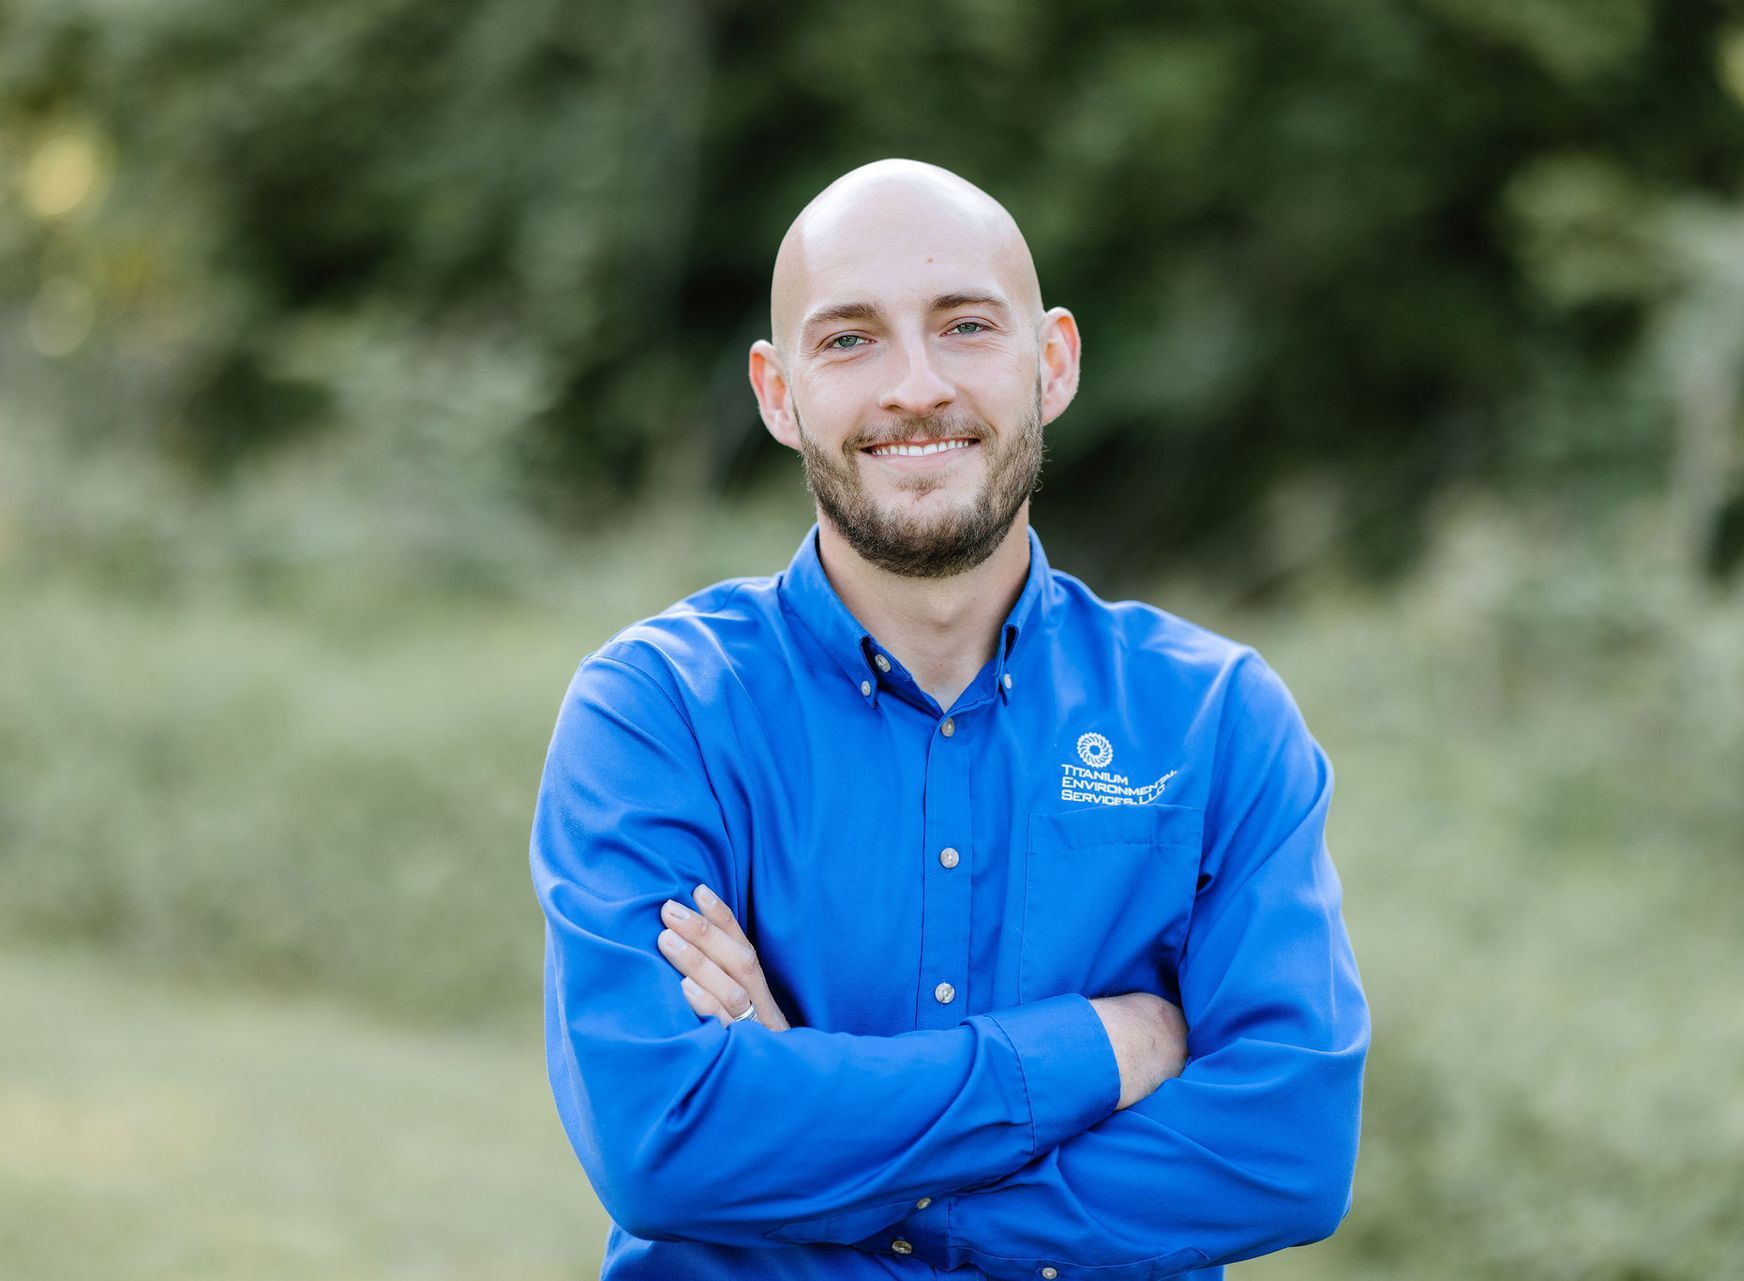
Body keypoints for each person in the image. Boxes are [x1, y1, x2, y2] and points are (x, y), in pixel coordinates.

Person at [529, 158, 1369, 1281]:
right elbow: (667, 1141)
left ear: (1052, 362)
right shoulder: (660, 712)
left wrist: (864, 1193)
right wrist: (1100, 1051)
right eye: (849, 339)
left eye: (966, 326)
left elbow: (1285, 1153)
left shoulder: (1216, 721)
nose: (914, 387)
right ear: (778, 393)